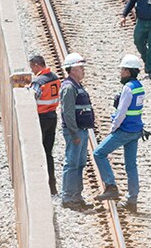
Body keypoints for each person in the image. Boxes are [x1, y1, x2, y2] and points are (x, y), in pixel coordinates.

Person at [92, 55, 146, 212]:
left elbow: (121, 112)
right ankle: (132, 200)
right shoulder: (139, 87)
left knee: (99, 153)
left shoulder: (128, 88)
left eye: (122, 69)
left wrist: (113, 128)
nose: (120, 72)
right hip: (136, 130)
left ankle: (110, 186)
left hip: (125, 130)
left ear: (128, 71)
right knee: (131, 165)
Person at [59, 52, 95, 210]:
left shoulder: (76, 85)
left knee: (79, 164)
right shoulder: (69, 87)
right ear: (72, 69)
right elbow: (68, 113)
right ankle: (68, 197)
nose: (83, 70)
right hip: (75, 132)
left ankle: (76, 196)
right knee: (72, 163)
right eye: (80, 67)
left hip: (81, 130)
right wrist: (74, 133)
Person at [27, 54, 60, 195]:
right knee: (48, 153)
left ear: (36, 65)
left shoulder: (39, 82)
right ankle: (52, 186)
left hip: (41, 118)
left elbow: (32, 98)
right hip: (52, 116)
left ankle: (40, 187)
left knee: (38, 153)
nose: (32, 71)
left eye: (32, 68)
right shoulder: (55, 78)